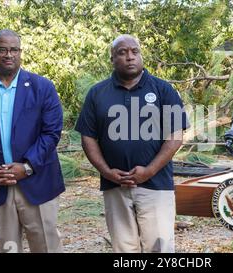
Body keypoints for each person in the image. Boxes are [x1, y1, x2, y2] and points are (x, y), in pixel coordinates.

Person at [75, 34, 189, 253]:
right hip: (114, 186)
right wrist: (106, 171)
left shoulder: (163, 90)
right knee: (123, 249)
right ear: (112, 59)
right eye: (122, 52)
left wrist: (149, 170)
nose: (129, 57)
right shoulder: (97, 93)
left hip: (156, 185)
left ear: (141, 56)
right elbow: (88, 137)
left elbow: (175, 135)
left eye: (134, 52)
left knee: (160, 248)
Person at [0, 29, 65, 253]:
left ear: (20, 52)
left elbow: (51, 132)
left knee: (46, 246)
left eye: (14, 50)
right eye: (3, 50)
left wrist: (26, 167)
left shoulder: (42, 87)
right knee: (7, 248)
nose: (9, 55)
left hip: (37, 181)